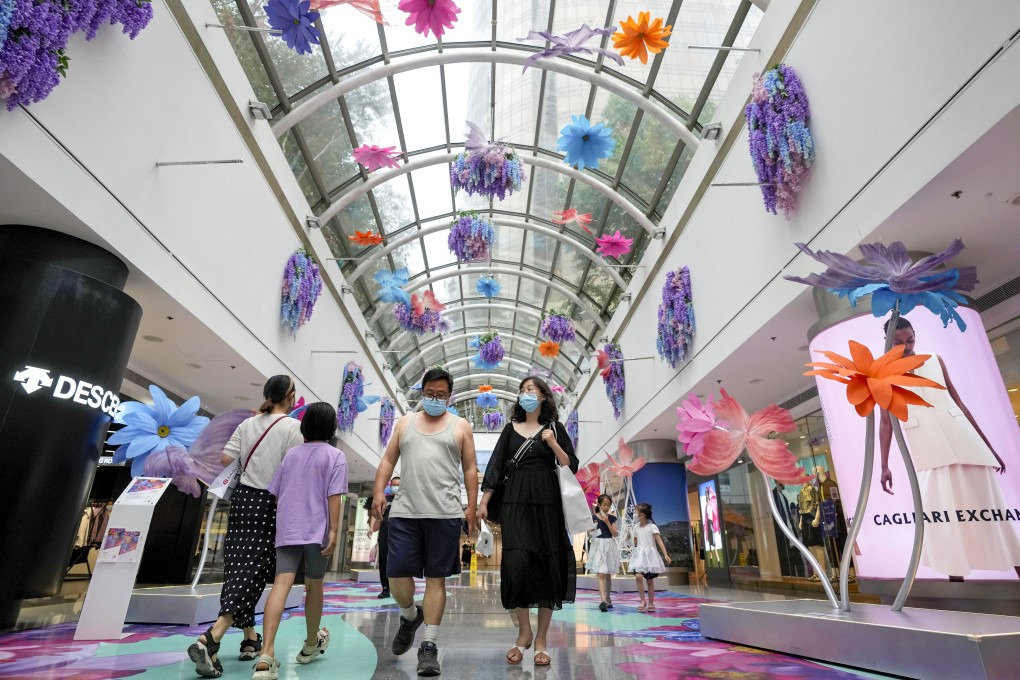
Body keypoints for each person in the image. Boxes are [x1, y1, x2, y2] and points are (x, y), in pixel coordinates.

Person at [879, 316, 1020, 580]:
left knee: (993, 511)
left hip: (965, 442)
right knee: (942, 520)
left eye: (910, 340)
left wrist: (988, 446)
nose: (906, 347)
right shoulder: (883, 377)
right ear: (887, 342)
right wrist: (884, 465)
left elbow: (959, 404)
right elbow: (886, 423)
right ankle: (957, 587)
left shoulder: (934, 360)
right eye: (898, 343)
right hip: (928, 450)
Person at [188, 376, 303, 678]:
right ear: (290, 396)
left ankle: (250, 638)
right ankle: (212, 637)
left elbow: (226, 458)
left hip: (242, 501)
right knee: (256, 570)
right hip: (270, 503)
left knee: (240, 565)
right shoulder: (293, 427)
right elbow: (293, 469)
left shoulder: (247, 424)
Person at [372, 367, 478, 677]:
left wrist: (471, 507)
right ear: (422, 392)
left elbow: (470, 469)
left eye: (440, 394)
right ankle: (409, 615)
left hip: (444, 513)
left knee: (436, 579)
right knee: (395, 573)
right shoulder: (405, 423)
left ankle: (428, 645)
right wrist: (378, 491)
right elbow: (388, 459)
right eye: (429, 393)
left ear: (449, 396)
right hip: (405, 512)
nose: (434, 398)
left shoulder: (460, 426)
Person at [478, 376, 578, 668]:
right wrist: (484, 502)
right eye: (522, 391)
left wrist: (553, 443)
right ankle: (524, 633)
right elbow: (495, 467)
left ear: (543, 396)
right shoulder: (510, 429)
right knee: (517, 564)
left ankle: (542, 640)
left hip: (547, 503)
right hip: (515, 502)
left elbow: (570, 464)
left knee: (547, 566)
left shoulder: (555, 428)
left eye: (531, 390)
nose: (525, 395)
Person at [252, 402, 348, 679]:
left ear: (304, 426)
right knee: (314, 585)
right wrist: (333, 531)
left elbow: (277, 493)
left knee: (281, 584)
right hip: (318, 531)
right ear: (331, 427)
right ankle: (310, 645)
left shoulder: (291, 455)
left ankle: (266, 655)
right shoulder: (335, 456)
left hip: (288, 528)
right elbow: (334, 496)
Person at [630, 503, 672, 613]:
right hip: (640, 557)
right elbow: (635, 541)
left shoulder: (652, 527)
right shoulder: (636, 528)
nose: (634, 514)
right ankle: (642, 600)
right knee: (638, 576)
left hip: (650, 557)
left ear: (642, 515)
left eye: (636, 512)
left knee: (649, 581)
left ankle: (651, 603)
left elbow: (659, 541)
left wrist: (665, 554)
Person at [587, 494, 620, 612]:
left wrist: (607, 522)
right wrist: (592, 530)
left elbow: (615, 534)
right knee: (600, 573)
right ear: (599, 505)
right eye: (604, 505)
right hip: (598, 546)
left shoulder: (612, 518)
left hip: (609, 546)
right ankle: (603, 601)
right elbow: (590, 534)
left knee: (608, 574)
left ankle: (608, 597)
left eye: (608, 505)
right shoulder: (593, 518)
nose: (606, 507)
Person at [369, 476, 400, 599]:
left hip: (400, 536)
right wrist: (371, 527)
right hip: (384, 535)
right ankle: (385, 588)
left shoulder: (405, 500)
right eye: (394, 485)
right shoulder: (385, 500)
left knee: (399, 563)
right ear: (390, 486)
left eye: (398, 485)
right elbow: (376, 515)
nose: (396, 487)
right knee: (384, 562)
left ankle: (399, 589)